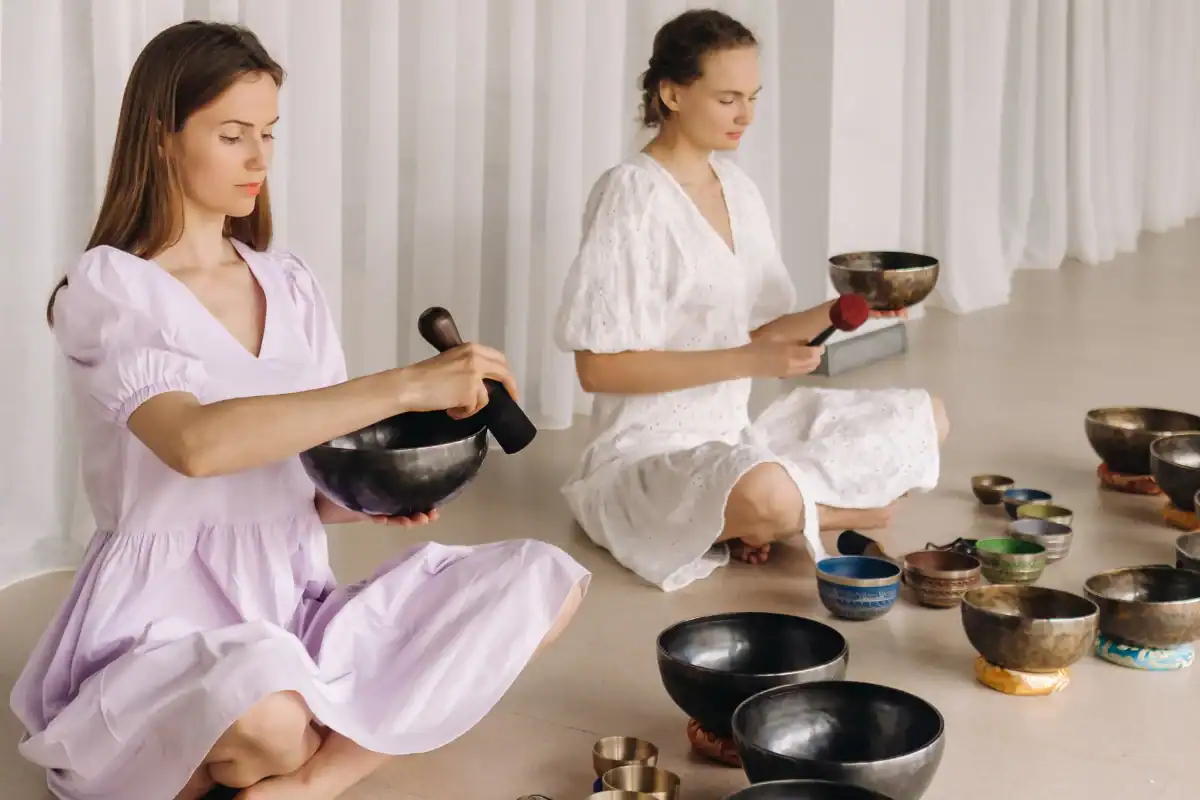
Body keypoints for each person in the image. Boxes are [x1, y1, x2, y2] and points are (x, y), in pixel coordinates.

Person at [11, 21, 588, 800]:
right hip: (162, 625)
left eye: (269, 135)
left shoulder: (287, 282)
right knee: (269, 705)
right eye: (232, 134)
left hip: (291, 607)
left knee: (543, 577)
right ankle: (276, 739)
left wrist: (381, 490)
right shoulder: (111, 287)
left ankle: (311, 783)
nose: (258, 159)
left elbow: (312, 477)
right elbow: (195, 447)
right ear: (160, 137)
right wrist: (405, 385)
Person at [553, 9, 948, 592]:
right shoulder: (631, 195)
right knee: (766, 489)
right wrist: (747, 361)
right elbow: (597, 368)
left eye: (753, 96)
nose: (747, 115)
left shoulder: (737, 187)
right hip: (645, 459)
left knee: (925, 416)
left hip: (734, 441)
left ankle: (763, 518)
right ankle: (835, 513)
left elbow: (759, 331)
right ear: (672, 93)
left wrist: (848, 306)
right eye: (728, 98)